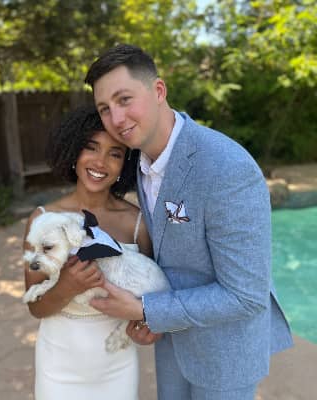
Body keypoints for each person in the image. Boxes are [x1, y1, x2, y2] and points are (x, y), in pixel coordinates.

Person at [84, 44, 294, 400]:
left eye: (124, 99)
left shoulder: (228, 168)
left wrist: (146, 309)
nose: (116, 119)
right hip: (173, 345)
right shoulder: (139, 163)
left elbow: (246, 295)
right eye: (105, 108)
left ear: (159, 90)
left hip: (225, 355)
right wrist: (149, 317)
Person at [23, 105, 151, 400]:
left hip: (117, 365)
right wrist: (67, 286)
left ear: (126, 163)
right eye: (91, 148)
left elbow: (148, 295)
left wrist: (146, 324)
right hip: (58, 368)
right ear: (73, 151)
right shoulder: (44, 219)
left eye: (114, 154)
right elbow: (35, 307)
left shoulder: (137, 224)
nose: (100, 161)